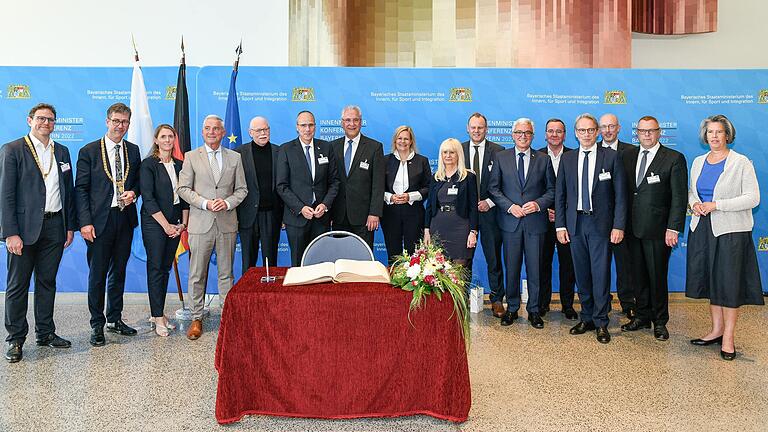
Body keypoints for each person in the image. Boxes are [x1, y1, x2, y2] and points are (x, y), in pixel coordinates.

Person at [0, 103, 77, 363]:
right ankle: (15, 339)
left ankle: (45, 333)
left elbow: (69, 192)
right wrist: (10, 233)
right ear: (30, 120)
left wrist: (69, 226)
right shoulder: (12, 150)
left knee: (47, 283)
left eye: (51, 120)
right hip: (23, 231)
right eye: (41, 118)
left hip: (55, 227)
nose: (46, 123)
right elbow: (5, 196)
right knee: (18, 286)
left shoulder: (63, 151)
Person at [686, 114, 763, 361]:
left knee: (728, 284)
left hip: (731, 231)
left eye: (719, 132)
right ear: (705, 136)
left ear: (728, 135)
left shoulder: (741, 162)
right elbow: (692, 192)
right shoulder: (698, 161)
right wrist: (696, 204)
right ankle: (716, 330)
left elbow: (753, 198)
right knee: (711, 281)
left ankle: (728, 338)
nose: (715, 136)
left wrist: (717, 204)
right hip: (703, 229)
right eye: (710, 132)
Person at [555, 113, 626, 344]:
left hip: (601, 225)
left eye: (590, 130)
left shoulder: (612, 157)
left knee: (600, 273)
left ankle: (601, 321)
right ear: (575, 133)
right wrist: (560, 226)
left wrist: (618, 225)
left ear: (596, 132)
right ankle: (586, 316)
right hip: (575, 224)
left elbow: (621, 196)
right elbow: (560, 195)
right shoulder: (567, 159)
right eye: (581, 130)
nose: (586, 134)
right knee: (582, 273)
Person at [75, 102, 141, 347]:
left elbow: (139, 183)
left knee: (119, 272)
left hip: (124, 219)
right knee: (98, 274)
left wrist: (134, 192)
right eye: (116, 121)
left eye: (124, 122)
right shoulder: (89, 151)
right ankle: (97, 324)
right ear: (107, 121)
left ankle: (114, 319)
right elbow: (80, 190)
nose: (120, 126)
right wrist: (84, 223)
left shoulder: (133, 151)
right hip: (98, 223)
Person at [176, 115, 247, 341]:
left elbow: (242, 190)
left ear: (223, 132)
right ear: (202, 131)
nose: (212, 132)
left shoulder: (235, 157)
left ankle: (228, 317)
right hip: (200, 223)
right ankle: (196, 317)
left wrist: (226, 203)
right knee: (197, 274)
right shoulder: (191, 157)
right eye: (207, 128)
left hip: (226, 223)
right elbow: (183, 189)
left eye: (216, 129)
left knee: (227, 273)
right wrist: (205, 203)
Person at [620, 116, 688, 341]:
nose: (647, 135)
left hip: (659, 231)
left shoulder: (673, 158)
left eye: (651, 131)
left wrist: (673, 228)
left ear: (659, 132)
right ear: (636, 133)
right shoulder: (628, 156)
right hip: (631, 229)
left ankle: (660, 321)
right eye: (642, 131)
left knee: (657, 277)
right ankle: (641, 316)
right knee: (637, 276)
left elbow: (679, 197)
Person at [487, 118, 555, 328]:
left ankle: (534, 311)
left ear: (533, 136)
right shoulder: (501, 157)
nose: (523, 136)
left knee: (535, 269)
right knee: (512, 267)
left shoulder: (543, 159)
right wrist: (509, 206)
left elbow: (552, 191)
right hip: (510, 223)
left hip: (535, 223)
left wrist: (537, 204)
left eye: (527, 133)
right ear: (512, 134)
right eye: (519, 132)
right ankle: (513, 308)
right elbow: (494, 188)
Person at [139, 125, 189, 337]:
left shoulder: (180, 164)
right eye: (163, 136)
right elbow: (148, 200)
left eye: (171, 136)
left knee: (165, 268)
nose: (168, 140)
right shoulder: (148, 165)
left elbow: (185, 198)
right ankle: (158, 316)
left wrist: (183, 225)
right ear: (156, 140)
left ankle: (158, 312)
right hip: (155, 224)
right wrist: (166, 226)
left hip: (176, 225)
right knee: (156, 268)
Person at [276, 111, 340, 266]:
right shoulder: (286, 149)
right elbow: (281, 186)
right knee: (299, 264)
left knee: (321, 263)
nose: (307, 129)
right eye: (303, 125)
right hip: (296, 218)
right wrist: (300, 207)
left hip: (321, 218)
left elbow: (334, 182)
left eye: (310, 125)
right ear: (297, 127)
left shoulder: (326, 147)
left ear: (315, 127)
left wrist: (324, 205)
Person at [462, 113, 505, 318]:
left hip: (491, 214)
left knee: (494, 258)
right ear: (467, 129)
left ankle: (497, 300)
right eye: (473, 127)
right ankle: (460, 298)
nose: (477, 131)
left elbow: (505, 184)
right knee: (463, 259)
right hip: (464, 217)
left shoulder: (499, 151)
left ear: (486, 129)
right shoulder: (458, 150)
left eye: (480, 127)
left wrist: (489, 202)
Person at [537, 118, 578, 320]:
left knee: (568, 265)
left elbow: (578, 190)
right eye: (551, 131)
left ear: (565, 134)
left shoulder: (574, 156)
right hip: (542, 219)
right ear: (545, 134)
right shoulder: (535, 156)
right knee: (542, 264)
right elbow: (532, 191)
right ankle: (543, 304)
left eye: (559, 131)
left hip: (568, 221)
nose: (554, 135)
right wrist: (545, 210)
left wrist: (563, 213)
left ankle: (568, 305)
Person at [331, 106, 385, 250]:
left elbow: (378, 184)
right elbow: (329, 182)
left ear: (361, 122)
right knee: (340, 256)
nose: (352, 124)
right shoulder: (332, 147)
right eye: (348, 120)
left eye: (355, 120)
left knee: (362, 259)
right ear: (342, 123)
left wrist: (374, 213)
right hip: (338, 215)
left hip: (364, 217)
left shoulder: (374, 147)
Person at [598, 113, 636, 318]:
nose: (607, 130)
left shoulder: (632, 151)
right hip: (597, 221)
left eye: (611, 126)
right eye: (603, 127)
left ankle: (628, 302)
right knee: (599, 265)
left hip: (622, 219)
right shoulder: (592, 150)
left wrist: (620, 221)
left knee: (625, 264)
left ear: (619, 128)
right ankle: (601, 301)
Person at [424, 138, 478, 271]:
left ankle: (460, 293)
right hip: (438, 227)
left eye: (452, 152)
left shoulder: (468, 177)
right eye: (445, 152)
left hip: (461, 228)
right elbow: (430, 206)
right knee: (438, 271)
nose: (448, 156)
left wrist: (473, 232)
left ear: (458, 154)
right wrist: (426, 230)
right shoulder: (436, 177)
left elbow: (473, 207)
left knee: (459, 273)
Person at [236, 116, 282, 270]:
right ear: (250, 132)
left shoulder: (279, 152)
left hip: (272, 214)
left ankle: (271, 294)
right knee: (248, 262)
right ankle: (246, 294)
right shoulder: (239, 153)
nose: (263, 133)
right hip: (248, 216)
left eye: (266, 129)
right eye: (259, 130)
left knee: (271, 262)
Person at [381, 125, 431, 263]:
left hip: (414, 213)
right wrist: (390, 197)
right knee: (393, 255)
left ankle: (413, 283)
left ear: (411, 141)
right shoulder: (385, 161)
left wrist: (410, 196)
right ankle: (393, 282)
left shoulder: (422, 161)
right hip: (390, 213)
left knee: (414, 254)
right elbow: (377, 187)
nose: (402, 141)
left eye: (406, 139)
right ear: (395, 140)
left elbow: (428, 188)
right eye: (399, 138)